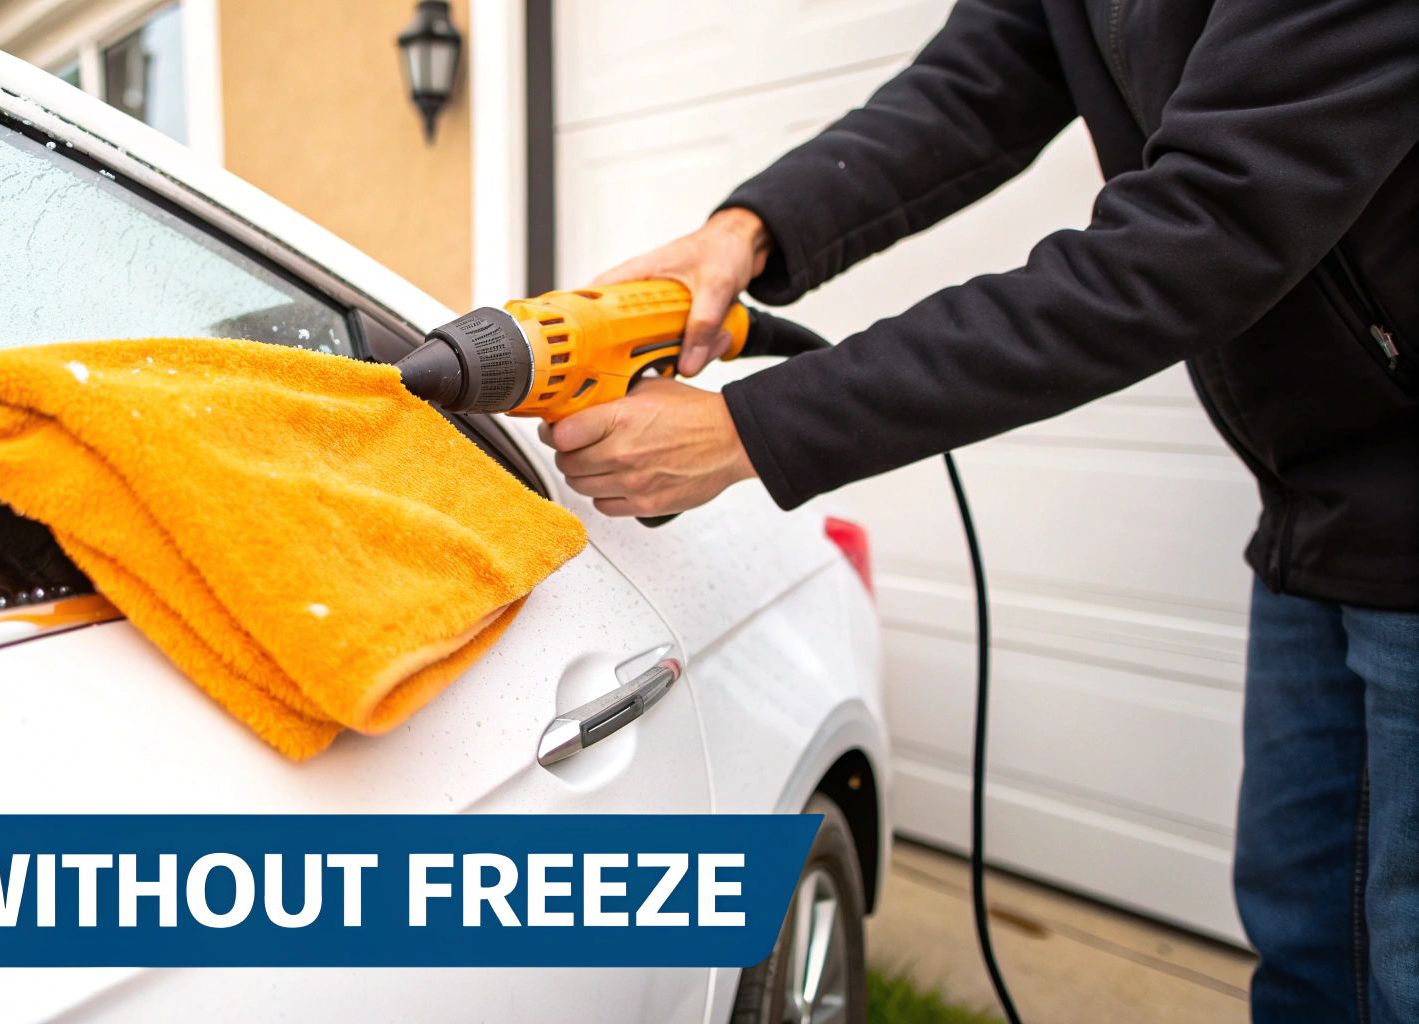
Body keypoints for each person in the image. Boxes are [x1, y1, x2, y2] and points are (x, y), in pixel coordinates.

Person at [534, 0, 1419, 1021]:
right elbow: (974, 80)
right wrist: (744, 233)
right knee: (1307, 945)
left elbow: (1199, 232)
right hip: (1315, 505)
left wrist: (754, 429)